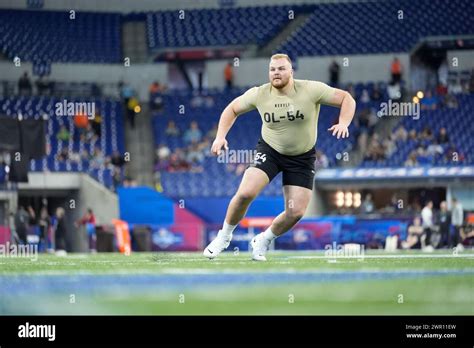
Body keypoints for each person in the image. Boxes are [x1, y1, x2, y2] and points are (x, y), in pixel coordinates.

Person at [203, 53, 355, 261]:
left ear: (291, 71)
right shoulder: (259, 94)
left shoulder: (311, 89)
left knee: (296, 212)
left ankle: (264, 239)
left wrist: (344, 123)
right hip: (270, 150)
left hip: (302, 157)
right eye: (272, 69)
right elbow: (232, 109)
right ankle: (224, 237)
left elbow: (347, 98)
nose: (276, 72)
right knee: (246, 193)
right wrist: (220, 137)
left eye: (281, 68)